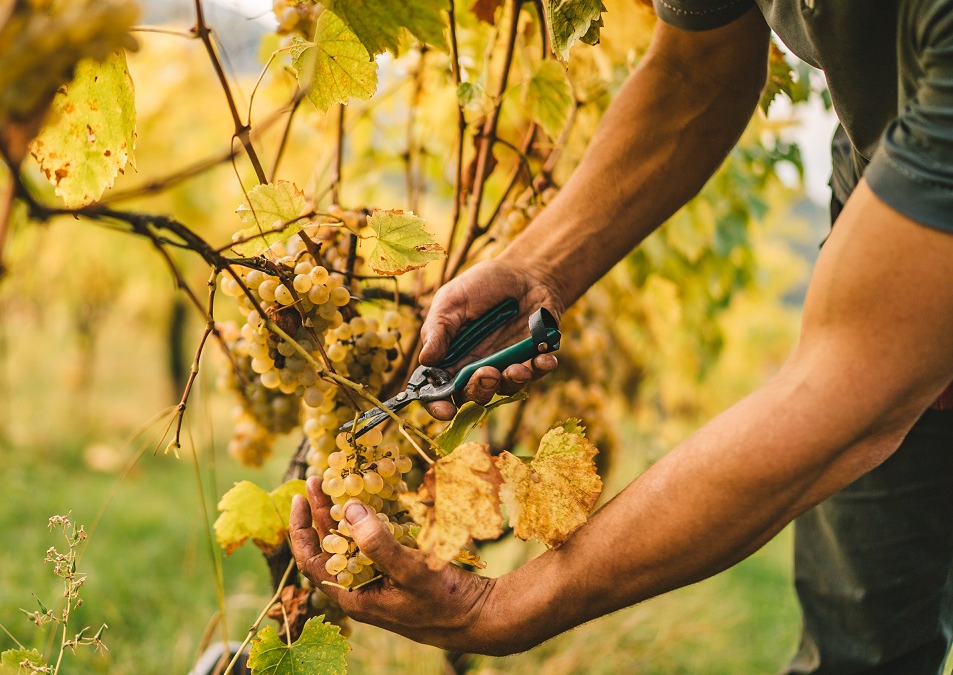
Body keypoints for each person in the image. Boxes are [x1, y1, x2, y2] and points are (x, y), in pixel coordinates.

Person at [288, 1, 953, 671]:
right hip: (890, 172)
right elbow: (700, 68)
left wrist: (500, 607)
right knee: (859, 637)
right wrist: (539, 264)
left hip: (924, 196)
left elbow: (843, 398)